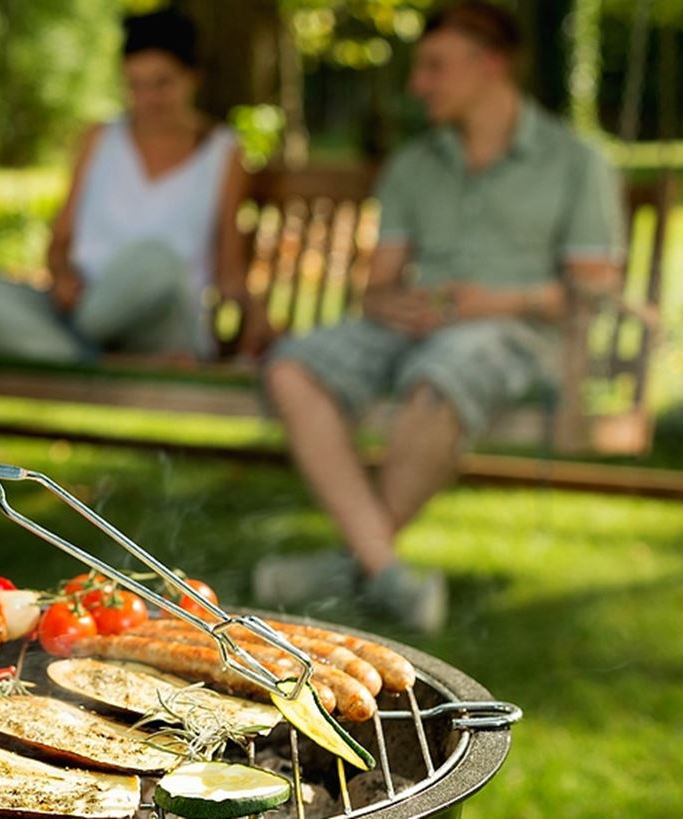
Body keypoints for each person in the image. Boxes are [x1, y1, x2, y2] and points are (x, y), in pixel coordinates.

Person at [253, 1, 625, 633]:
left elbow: (594, 289)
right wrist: (389, 301)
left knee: (438, 379)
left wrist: (499, 301)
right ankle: (385, 572)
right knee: (292, 368)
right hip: (414, 325)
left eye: (434, 67)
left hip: (518, 333)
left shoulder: (574, 161)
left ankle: (354, 569)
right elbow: (378, 284)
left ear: (490, 65)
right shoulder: (415, 165)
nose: (417, 84)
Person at [0, 9, 260, 364]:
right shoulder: (99, 138)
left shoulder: (224, 151)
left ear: (193, 78)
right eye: (135, 85)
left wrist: (255, 316)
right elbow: (59, 244)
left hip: (163, 325)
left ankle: (65, 349)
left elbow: (230, 270)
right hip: (81, 308)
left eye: (162, 83)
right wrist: (64, 275)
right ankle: (92, 357)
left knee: (156, 260)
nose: (148, 100)